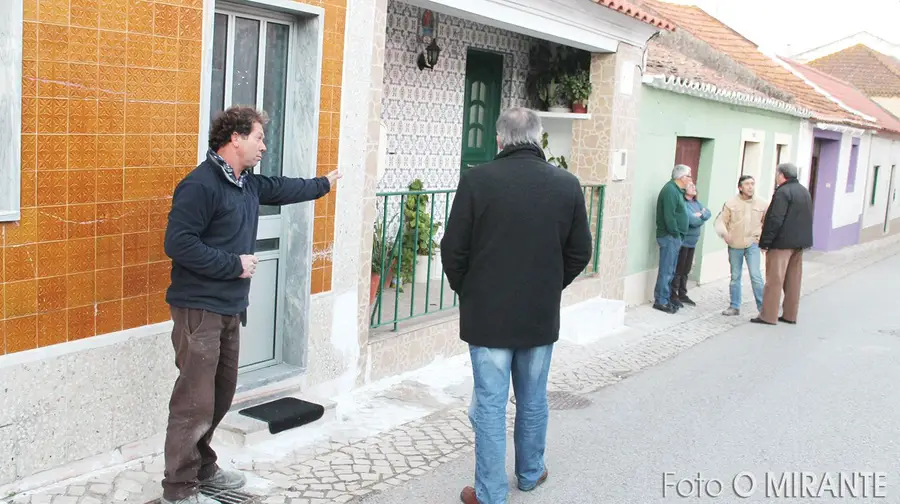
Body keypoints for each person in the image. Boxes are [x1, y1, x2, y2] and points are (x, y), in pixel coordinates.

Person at [161, 106, 341, 504]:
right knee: (195, 401)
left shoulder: (247, 184)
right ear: (235, 139)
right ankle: (178, 488)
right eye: (258, 138)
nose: (263, 146)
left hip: (229, 307)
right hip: (199, 308)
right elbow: (178, 243)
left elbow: (285, 187)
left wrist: (323, 183)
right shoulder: (200, 185)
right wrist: (234, 264)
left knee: (221, 395)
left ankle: (204, 468)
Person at [440, 107, 593, 504]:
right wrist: (549, 286)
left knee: (490, 405)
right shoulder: (567, 184)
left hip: (488, 316)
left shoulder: (477, 181)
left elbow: (453, 249)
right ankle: (529, 473)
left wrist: (469, 290)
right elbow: (580, 252)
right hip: (539, 315)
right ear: (539, 138)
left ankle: (490, 493)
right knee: (533, 397)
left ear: (499, 139)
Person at [752, 162, 814, 325]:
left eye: (777, 174)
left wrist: (765, 242)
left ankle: (768, 316)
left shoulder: (782, 192)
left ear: (782, 175)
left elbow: (775, 219)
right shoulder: (803, 191)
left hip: (781, 243)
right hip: (799, 243)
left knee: (774, 280)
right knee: (793, 280)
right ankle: (790, 315)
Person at [715, 175, 767, 316]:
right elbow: (721, 221)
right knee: (735, 276)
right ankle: (734, 306)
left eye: (752, 184)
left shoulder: (762, 204)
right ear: (740, 187)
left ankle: (763, 308)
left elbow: (767, 223)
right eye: (747, 184)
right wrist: (724, 234)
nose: (750, 187)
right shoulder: (731, 203)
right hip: (735, 244)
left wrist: (764, 241)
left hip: (753, 243)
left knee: (756, 276)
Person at [653, 164, 691, 314]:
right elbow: (669, 216)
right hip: (669, 237)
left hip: (675, 237)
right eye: (689, 176)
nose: (690, 179)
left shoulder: (676, 190)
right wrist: (676, 233)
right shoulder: (670, 190)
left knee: (671, 270)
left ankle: (667, 298)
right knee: (666, 270)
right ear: (682, 177)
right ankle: (661, 300)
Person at [670, 182, 711, 306]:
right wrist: (700, 217)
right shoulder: (684, 204)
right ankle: (674, 294)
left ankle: (683, 293)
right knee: (679, 269)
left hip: (693, 242)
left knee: (686, 269)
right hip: (684, 241)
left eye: (694, 186)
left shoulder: (697, 203)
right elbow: (691, 221)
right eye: (690, 186)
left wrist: (701, 215)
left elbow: (708, 213)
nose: (694, 187)